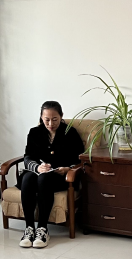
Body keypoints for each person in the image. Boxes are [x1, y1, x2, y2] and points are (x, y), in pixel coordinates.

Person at [17, 101, 84, 249]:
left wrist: (67, 169)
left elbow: (81, 158)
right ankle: (29, 228)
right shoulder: (34, 132)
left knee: (44, 179)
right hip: (37, 172)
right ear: (41, 117)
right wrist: (37, 167)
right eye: (46, 120)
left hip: (59, 177)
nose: (50, 124)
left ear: (61, 116)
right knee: (28, 178)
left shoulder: (70, 133)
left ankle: (42, 229)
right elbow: (28, 157)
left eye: (54, 119)